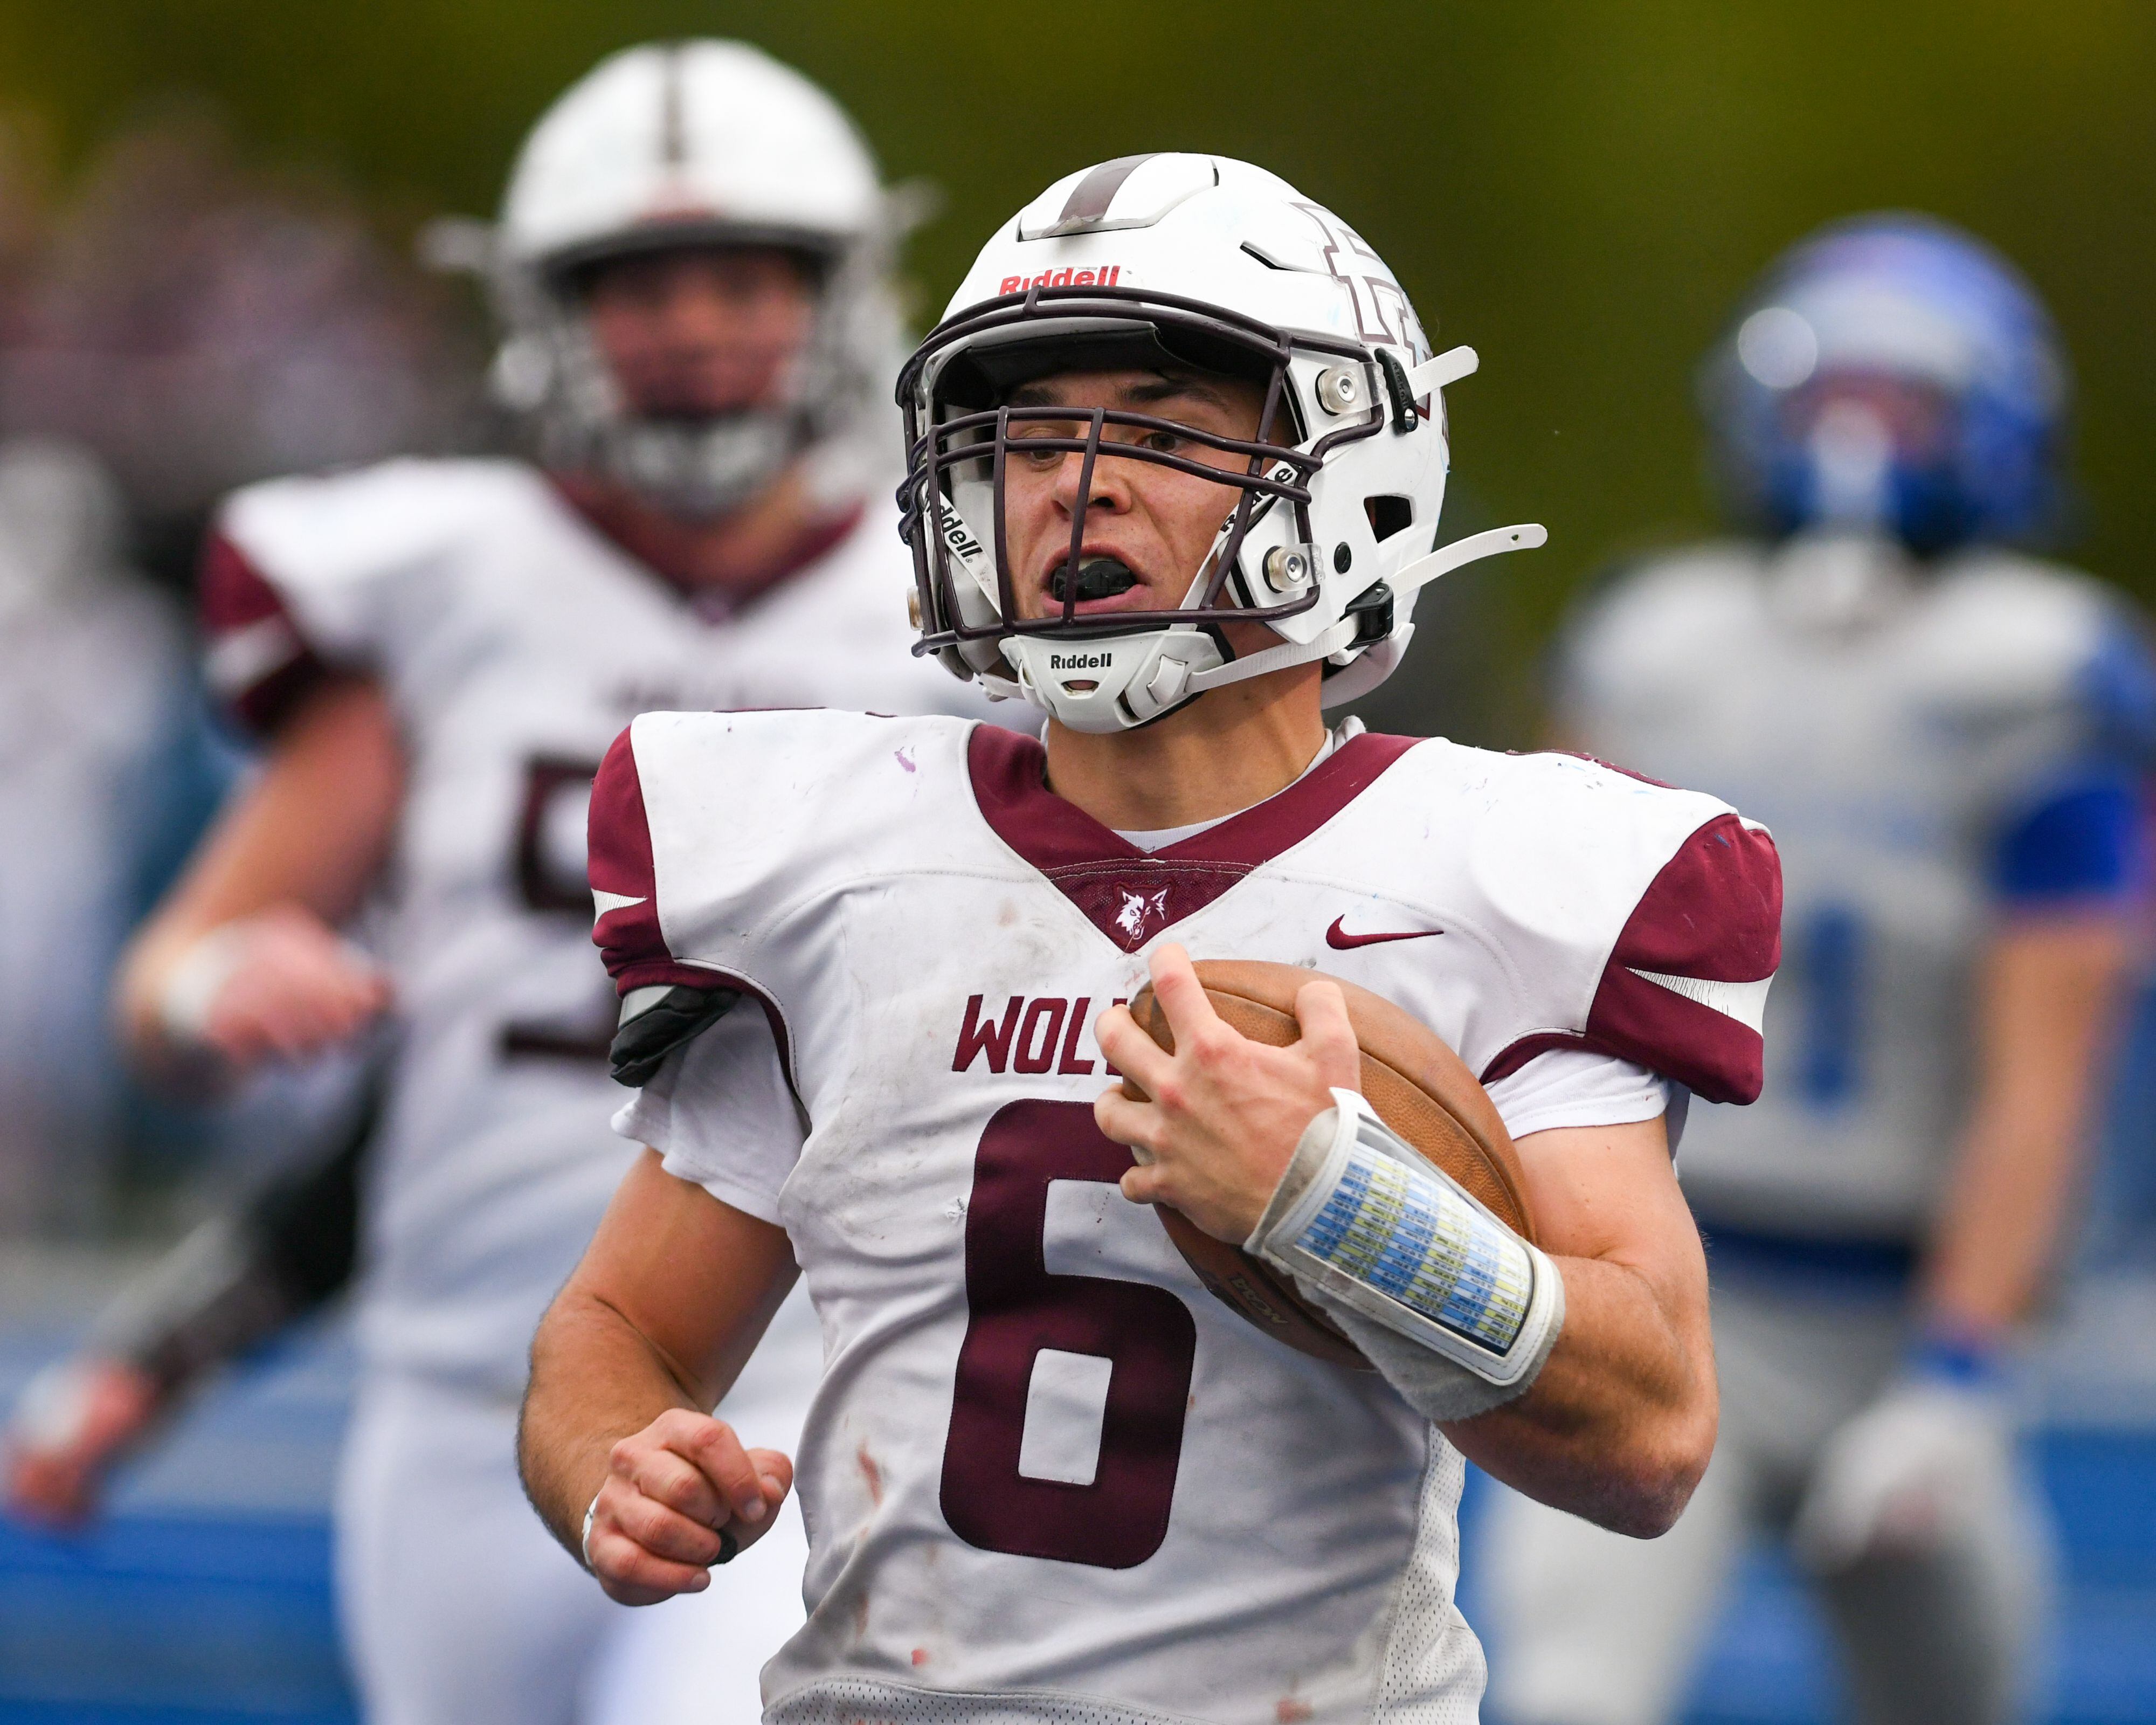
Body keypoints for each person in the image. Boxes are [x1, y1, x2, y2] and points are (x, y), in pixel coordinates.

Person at [517, 153, 1781, 1725]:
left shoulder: (1499, 873)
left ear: (1350, 467)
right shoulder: (841, 860)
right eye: (1028, 434)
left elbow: (1650, 1435)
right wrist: (614, 1467)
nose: (1076, 481)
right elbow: (618, 1330)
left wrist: (1344, 1207)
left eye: (1164, 430)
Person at [3, 39, 999, 1725]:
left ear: (843, 293)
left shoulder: (959, 608)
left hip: (813, 1386)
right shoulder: (441, 578)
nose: (692, 326)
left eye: (746, 276)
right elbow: (193, 1001)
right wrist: (215, 988)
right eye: (638, 283)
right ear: (547, 313)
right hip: (470, 1391)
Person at [1480, 216, 2155, 1725]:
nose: (1853, 447)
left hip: (1902, 1308)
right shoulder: (1657, 640)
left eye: (1900, 409)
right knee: (1571, 1693)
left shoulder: (2036, 676)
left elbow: (2047, 1071)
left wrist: (1964, 1373)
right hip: (1657, 1258)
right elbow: (1528, 982)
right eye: (1820, 403)